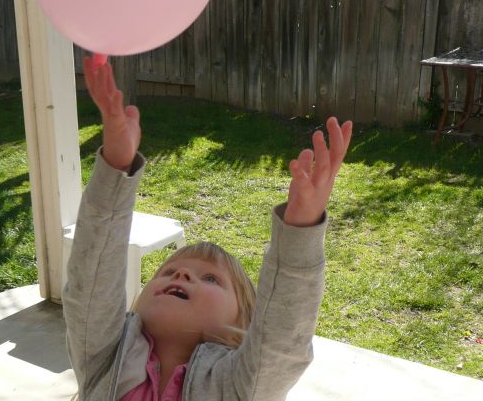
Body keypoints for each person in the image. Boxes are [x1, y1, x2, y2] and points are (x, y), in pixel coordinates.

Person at [63, 57, 353, 401]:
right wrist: (115, 167)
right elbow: (92, 282)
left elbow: (281, 343)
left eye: (211, 278)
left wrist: (301, 228)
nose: (182, 275)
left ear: (243, 324)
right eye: (169, 270)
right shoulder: (104, 355)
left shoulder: (241, 386)